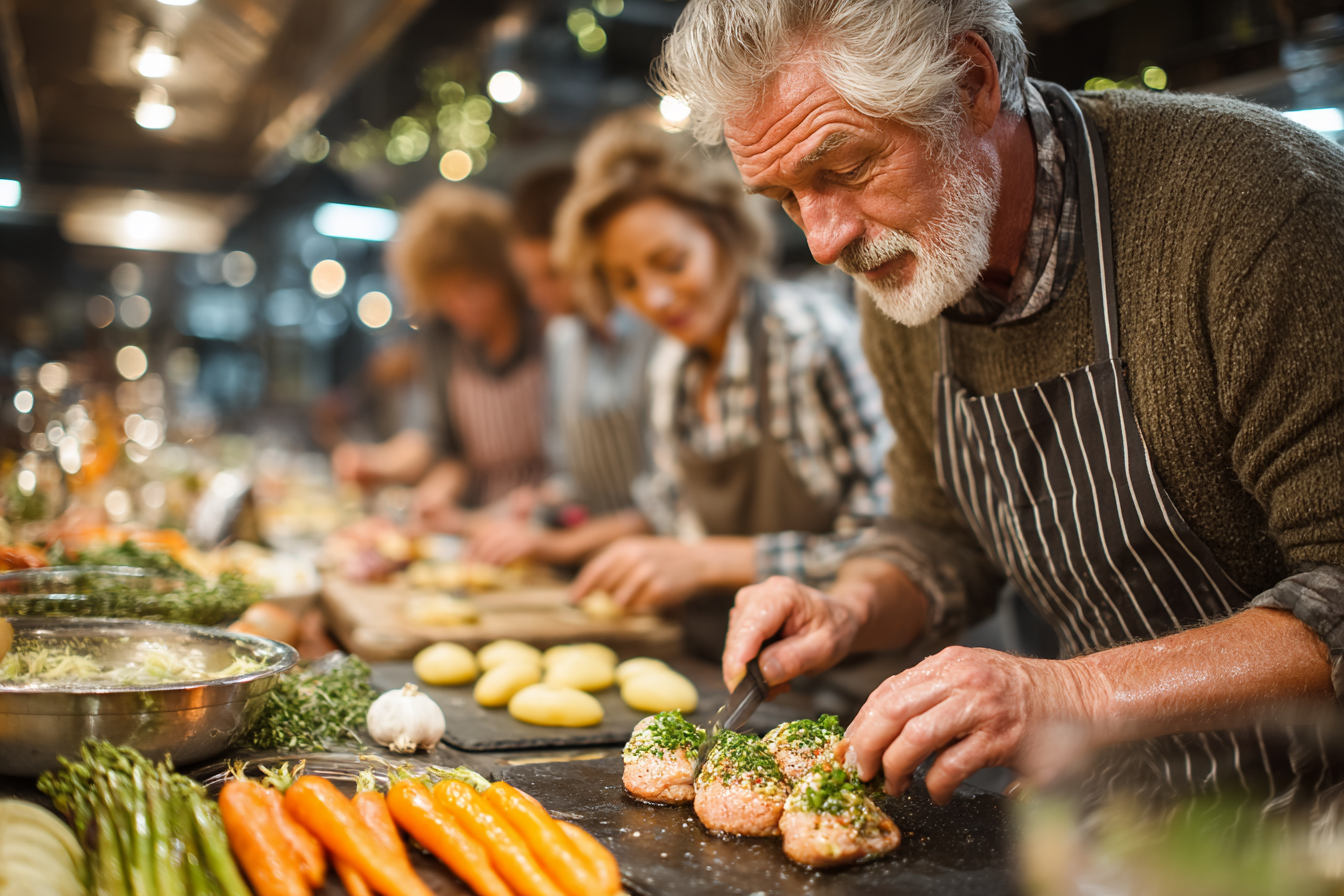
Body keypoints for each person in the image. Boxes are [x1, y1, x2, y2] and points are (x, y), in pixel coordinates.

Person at [657, 0, 1344, 805]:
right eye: (783, 197)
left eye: (843, 169)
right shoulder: (911, 268)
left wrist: (1077, 695)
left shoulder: (1250, 209)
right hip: (1133, 806)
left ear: (972, 82)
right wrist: (849, 605)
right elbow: (939, 533)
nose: (822, 239)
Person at [555, 112, 893, 656]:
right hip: (739, 668)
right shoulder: (670, 369)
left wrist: (707, 561)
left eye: (672, 263)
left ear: (723, 232)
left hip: (865, 672)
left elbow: (894, 542)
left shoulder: (809, 342)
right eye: (627, 282)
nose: (656, 299)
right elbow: (672, 517)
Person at [469, 164, 660, 565]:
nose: (538, 296)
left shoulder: (657, 330)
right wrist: (535, 504)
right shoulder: (562, 341)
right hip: (598, 572)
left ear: (590, 254)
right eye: (528, 281)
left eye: (552, 275)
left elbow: (675, 502)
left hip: (660, 568)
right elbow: (572, 481)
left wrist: (559, 545)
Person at [332, 183, 548, 532]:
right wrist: (385, 469)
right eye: (449, 293)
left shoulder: (545, 326)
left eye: (475, 284)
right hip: (474, 527)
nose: (465, 304)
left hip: (543, 522)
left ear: (504, 272)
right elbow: (446, 447)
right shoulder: (442, 338)